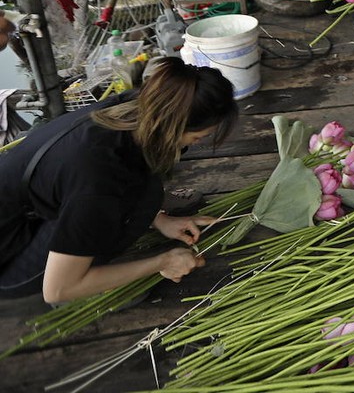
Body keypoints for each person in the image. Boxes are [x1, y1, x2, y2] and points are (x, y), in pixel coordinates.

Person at [0, 57, 237, 303]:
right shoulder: (100, 180)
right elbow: (57, 290)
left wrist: (159, 219)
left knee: (141, 195)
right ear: (173, 127)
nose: (197, 143)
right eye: (198, 137)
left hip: (29, 209)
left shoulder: (136, 105)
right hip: (8, 262)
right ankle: (97, 283)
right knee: (114, 215)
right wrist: (163, 262)